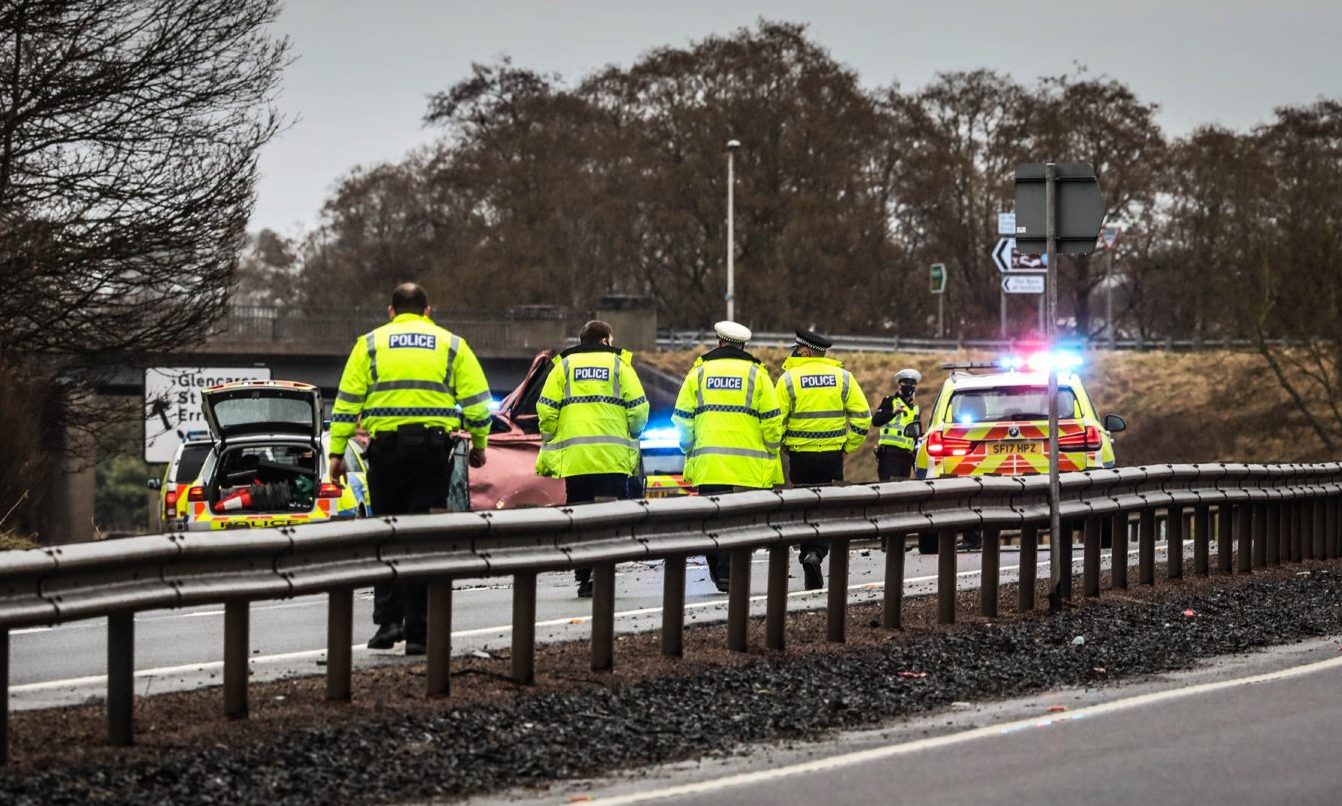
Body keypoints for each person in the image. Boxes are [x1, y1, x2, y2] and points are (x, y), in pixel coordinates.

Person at [328, 283, 492, 655]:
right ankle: (420, 632)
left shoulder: (369, 343)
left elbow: (347, 401)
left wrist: (337, 451)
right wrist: (479, 445)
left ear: (391, 311)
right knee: (423, 538)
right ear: (427, 311)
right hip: (433, 455)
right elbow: (479, 405)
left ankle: (388, 623)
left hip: (385, 453)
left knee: (387, 532)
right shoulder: (452, 344)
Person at [535, 320, 649, 598]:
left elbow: (546, 409)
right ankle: (602, 570)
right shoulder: (620, 366)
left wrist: (552, 435)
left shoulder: (563, 366)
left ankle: (583, 575)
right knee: (609, 518)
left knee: (580, 516)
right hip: (612, 459)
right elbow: (638, 409)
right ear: (605, 341)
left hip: (576, 460)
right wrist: (631, 432)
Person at [672, 321, 783, 592]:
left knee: (713, 520)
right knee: (743, 523)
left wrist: (688, 447)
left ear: (719, 342)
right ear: (743, 345)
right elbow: (772, 419)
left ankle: (720, 572)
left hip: (710, 464)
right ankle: (733, 571)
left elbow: (682, 417)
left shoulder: (698, 372)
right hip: (749, 467)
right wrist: (771, 447)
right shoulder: (758, 374)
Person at [775, 329, 872, 590]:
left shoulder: (788, 379)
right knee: (826, 510)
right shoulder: (843, 378)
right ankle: (816, 554)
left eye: (796, 349)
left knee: (806, 508)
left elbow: (775, 421)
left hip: (800, 458)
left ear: (805, 351)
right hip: (831, 457)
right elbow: (863, 417)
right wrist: (848, 446)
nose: (793, 352)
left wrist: (784, 445)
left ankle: (809, 553)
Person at [872, 368, 922, 481]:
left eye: (913, 383)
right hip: (890, 455)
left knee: (903, 493)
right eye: (906, 382)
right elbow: (876, 421)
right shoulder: (890, 401)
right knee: (889, 490)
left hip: (907, 457)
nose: (910, 386)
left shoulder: (914, 409)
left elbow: (916, 434)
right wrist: (893, 413)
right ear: (899, 384)